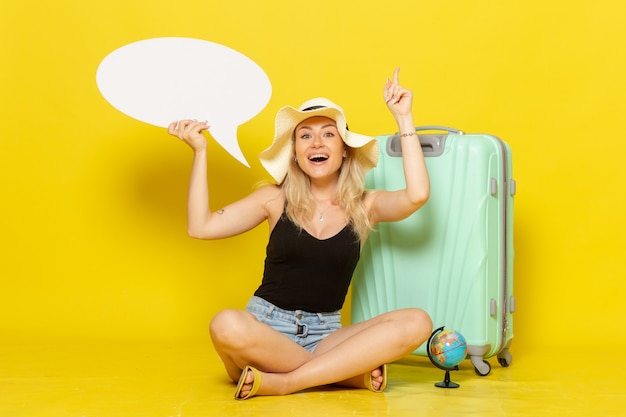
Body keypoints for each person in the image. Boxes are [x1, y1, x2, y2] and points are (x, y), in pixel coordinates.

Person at [167, 68, 432, 400]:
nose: (316, 143)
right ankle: (342, 373)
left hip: (325, 334)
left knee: (417, 322)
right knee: (225, 325)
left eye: (328, 134)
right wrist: (200, 152)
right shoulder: (274, 198)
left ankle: (287, 382)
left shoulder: (367, 205)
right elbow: (200, 227)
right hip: (263, 331)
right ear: (294, 152)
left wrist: (403, 118)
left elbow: (417, 195)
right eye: (305, 136)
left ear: (345, 149)